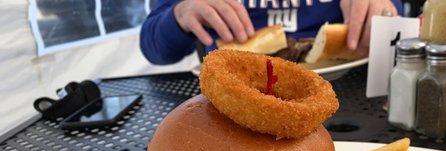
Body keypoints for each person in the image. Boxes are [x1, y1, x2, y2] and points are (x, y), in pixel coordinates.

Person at [140, 0, 402, 65]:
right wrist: (180, 14)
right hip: (234, 101)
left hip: (347, 94)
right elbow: (154, 48)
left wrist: (382, 13)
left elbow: (393, 22)